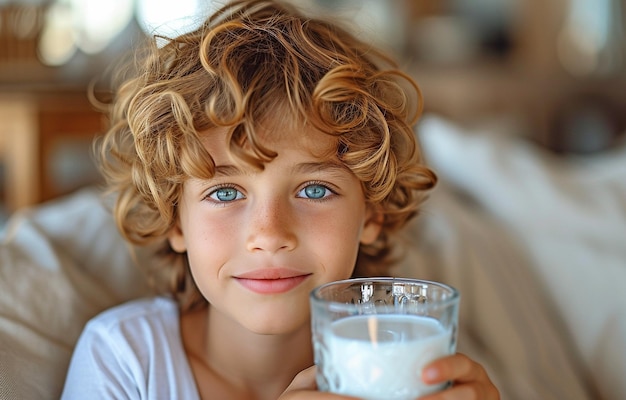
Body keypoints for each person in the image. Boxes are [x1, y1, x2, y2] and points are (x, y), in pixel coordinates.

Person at [62, 0, 499, 399]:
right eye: (225, 192)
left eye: (314, 190)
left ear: (373, 214)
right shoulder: (125, 361)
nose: (269, 234)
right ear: (175, 220)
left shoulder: (410, 365)